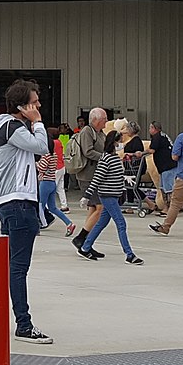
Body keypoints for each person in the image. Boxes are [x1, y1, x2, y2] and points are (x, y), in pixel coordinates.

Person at [0, 79, 60, 342]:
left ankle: (11, 320)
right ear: (22, 105)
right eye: (34, 101)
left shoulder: (4, 127)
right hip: (19, 205)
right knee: (18, 268)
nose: (38, 105)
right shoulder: (13, 126)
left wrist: (33, 171)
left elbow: (20, 160)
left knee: (11, 267)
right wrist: (38, 121)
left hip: (10, 202)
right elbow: (43, 146)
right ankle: (24, 325)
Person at [79, 128, 144, 266]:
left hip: (113, 195)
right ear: (114, 143)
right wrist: (87, 196)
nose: (122, 143)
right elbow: (97, 178)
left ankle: (85, 247)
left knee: (102, 223)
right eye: (120, 141)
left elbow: (117, 175)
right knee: (121, 223)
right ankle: (129, 254)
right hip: (108, 195)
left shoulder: (114, 157)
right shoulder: (106, 158)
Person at [67, 107, 109, 255]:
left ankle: (87, 242)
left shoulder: (100, 133)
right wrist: (105, 158)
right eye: (104, 118)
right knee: (101, 208)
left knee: (92, 208)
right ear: (96, 120)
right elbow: (88, 151)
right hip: (88, 176)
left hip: (97, 175)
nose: (106, 121)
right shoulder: (87, 131)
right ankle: (81, 238)